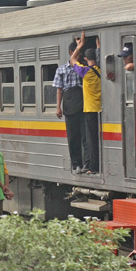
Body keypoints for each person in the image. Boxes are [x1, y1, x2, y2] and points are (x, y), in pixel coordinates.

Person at [70, 31, 101, 175]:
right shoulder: (100, 69)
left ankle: (93, 167)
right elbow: (98, 57)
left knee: (91, 140)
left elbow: (72, 60)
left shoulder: (86, 72)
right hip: (100, 109)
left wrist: (79, 46)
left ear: (86, 58)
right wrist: (98, 47)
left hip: (90, 109)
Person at [55, 40, 87, 174]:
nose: (78, 57)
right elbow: (59, 89)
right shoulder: (61, 69)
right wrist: (58, 107)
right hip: (69, 102)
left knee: (85, 136)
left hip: (83, 102)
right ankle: (76, 164)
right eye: (76, 54)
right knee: (73, 136)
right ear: (71, 53)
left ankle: (86, 163)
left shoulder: (83, 68)